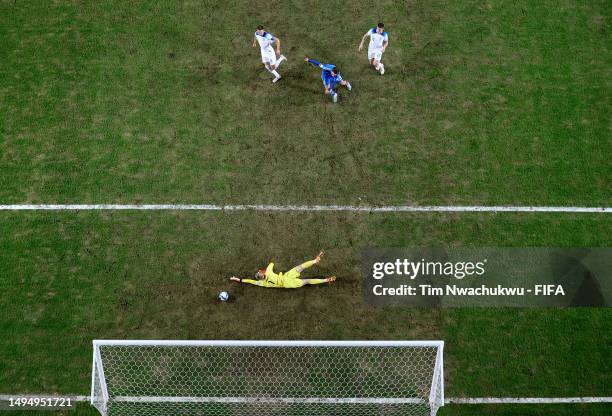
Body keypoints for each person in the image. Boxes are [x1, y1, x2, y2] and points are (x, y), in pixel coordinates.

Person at [230, 252, 336, 288]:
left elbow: (249, 281)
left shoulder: (262, 284)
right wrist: (267, 268)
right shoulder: (268, 271)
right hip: (287, 279)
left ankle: (326, 280)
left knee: (306, 280)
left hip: (287, 282)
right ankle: (314, 261)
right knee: (301, 268)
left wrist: (237, 279)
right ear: (262, 273)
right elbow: (271, 263)